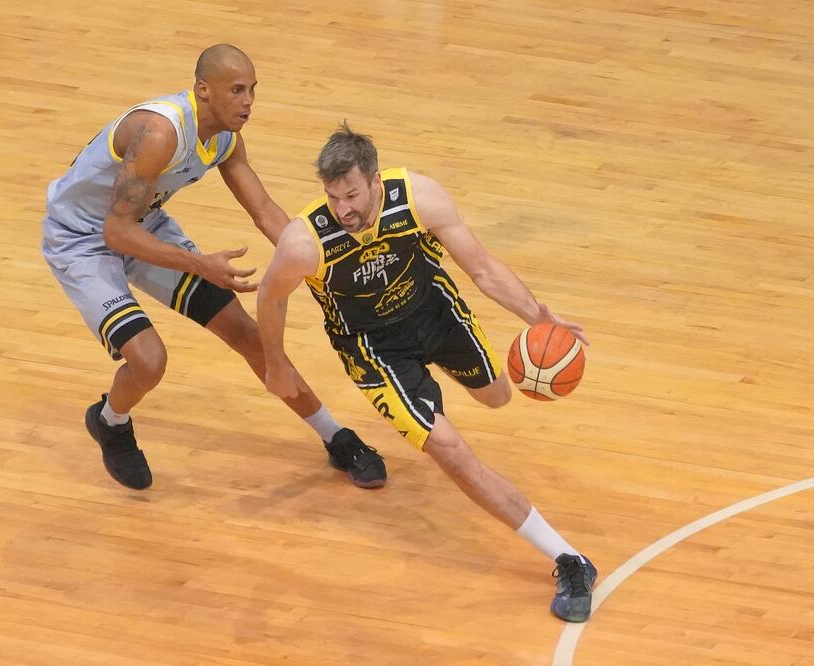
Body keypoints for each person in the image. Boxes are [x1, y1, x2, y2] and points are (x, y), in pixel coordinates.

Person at [256, 122, 597, 622]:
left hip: (435, 311)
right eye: (332, 198)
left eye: (352, 195)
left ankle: (436, 385)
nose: (343, 209)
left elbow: (481, 268)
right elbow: (271, 296)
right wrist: (275, 361)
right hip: (374, 349)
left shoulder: (418, 197)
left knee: (498, 395)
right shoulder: (306, 242)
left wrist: (538, 319)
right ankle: (569, 558)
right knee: (451, 452)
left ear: (375, 181)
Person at [41, 46, 386, 491]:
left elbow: (263, 209)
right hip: (82, 240)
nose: (248, 102)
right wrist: (199, 264)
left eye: (253, 90)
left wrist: (327, 270)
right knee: (149, 362)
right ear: (203, 90)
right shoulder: (160, 132)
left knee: (247, 334)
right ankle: (110, 420)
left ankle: (336, 436)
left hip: (141, 223)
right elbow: (116, 233)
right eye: (237, 90)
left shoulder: (224, 137)